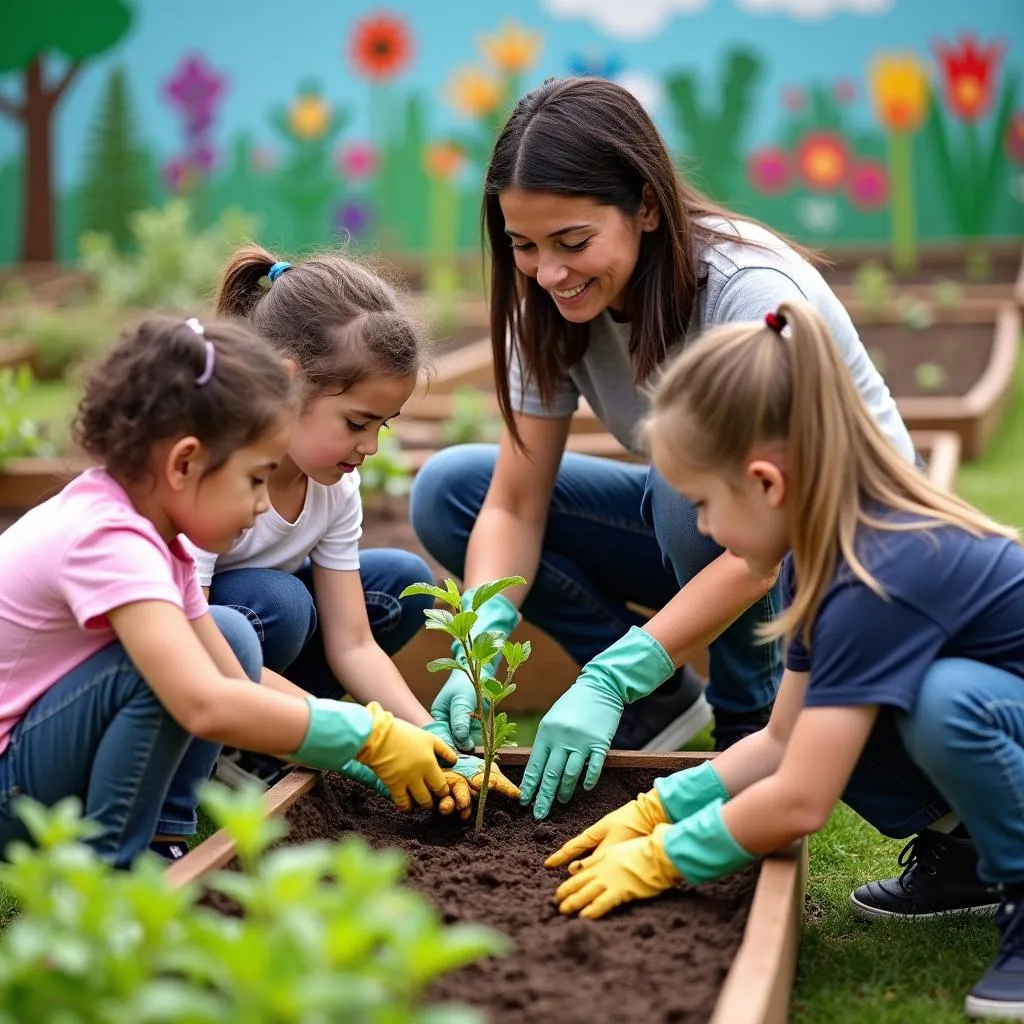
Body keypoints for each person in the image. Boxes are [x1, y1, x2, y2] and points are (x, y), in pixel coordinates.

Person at [410, 76, 914, 820]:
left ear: (646, 205)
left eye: (573, 242)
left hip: (847, 546)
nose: (549, 272)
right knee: (448, 490)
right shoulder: (550, 308)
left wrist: (613, 676)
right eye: (523, 246)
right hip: (724, 527)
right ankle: (670, 702)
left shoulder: (747, 296)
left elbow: (762, 540)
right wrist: (476, 652)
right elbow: (515, 505)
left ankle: (748, 715)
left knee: (689, 494)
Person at [544, 299, 1024, 1020]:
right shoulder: (820, 553)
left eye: (703, 502)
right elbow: (781, 738)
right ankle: (975, 862)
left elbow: (802, 799)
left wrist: (666, 859)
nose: (701, 527)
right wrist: (655, 809)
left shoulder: (881, 571)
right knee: (852, 709)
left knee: (946, 702)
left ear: (768, 482)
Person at [0, 315, 459, 868]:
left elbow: (232, 676)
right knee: (164, 674)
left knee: (232, 636)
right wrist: (365, 734)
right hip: (11, 789)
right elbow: (201, 701)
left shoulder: (156, 538)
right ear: (185, 462)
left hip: (37, 761)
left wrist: (374, 749)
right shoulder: (107, 537)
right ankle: (112, 881)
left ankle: (160, 842)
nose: (264, 502)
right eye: (254, 479)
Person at [195, 247, 518, 819]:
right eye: (356, 423)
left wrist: (429, 737)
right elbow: (188, 636)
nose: (370, 447)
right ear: (288, 386)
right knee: (281, 602)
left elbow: (353, 642)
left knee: (400, 583)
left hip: (260, 649)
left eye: (382, 425)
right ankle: (233, 744)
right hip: (195, 649)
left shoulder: (334, 487)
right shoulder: (212, 476)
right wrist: (356, 740)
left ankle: (259, 757)